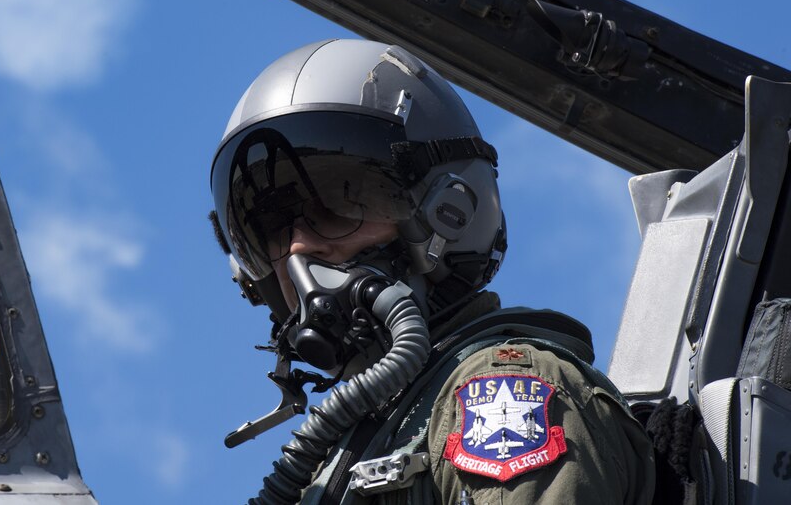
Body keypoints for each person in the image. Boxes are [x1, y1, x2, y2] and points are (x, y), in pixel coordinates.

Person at [209, 39, 655, 504]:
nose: (299, 248)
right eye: (273, 230)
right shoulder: (343, 451)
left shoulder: (499, 396)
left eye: (338, 203)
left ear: (446, 211)